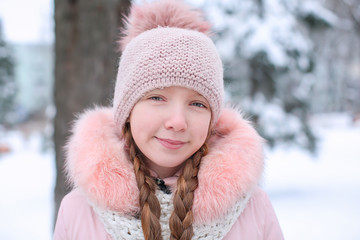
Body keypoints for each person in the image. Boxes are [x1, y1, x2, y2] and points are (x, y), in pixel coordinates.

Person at [53, 0, 284, 239]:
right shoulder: (78, 210)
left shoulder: (254, 208)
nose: (177, 121)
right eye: (157, 97)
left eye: (197, 104)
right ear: (127, 111)